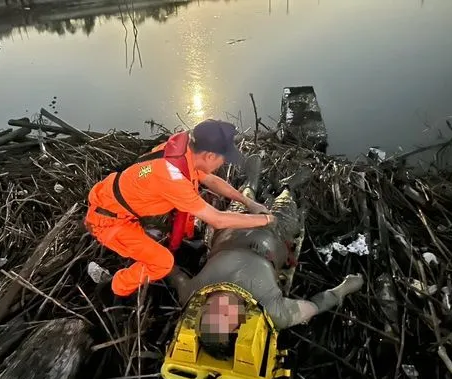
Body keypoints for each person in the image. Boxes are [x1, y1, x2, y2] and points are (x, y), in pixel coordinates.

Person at [168, 167, 365, 359]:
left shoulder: (193, 294)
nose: (220, 305)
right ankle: (288, 188)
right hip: (276, 235)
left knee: (243, 195)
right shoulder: (272, 309)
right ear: (240, 323)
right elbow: (314, 306)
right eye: (226, 317)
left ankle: (251, 184)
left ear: (201, 313)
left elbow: (173, 274)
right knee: (286, 204)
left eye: (210, 313)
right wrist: (343, 289)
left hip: (231, 225)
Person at [84, 119, 274, 300]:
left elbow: (211, 180)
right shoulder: (171, 177)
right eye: (222, 160)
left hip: (123, 207)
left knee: (184, 226)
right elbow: (217, 220)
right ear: (209, 156)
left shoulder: (185, 153)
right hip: (108, 220)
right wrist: (266, 220)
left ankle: (175, 247)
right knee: (162, 262)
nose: (222, 165)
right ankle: (113, 289)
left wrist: (249, 203)